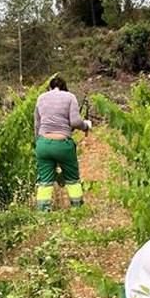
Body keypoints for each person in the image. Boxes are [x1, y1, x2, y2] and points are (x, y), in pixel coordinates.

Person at [33, 75, 92, 211]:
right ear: (65, 88)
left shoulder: (41, 98)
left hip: (43, 144)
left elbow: (37, 124)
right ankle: (77, 209)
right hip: (62, 144)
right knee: (72, 179)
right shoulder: (70, 97)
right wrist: (86, 126)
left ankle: (42, 212)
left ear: (50, 87)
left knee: (45, 182)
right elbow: (75, 122)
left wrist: (40, 143)